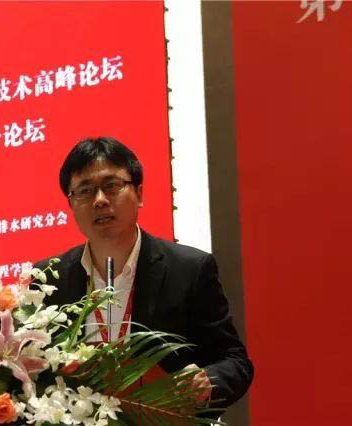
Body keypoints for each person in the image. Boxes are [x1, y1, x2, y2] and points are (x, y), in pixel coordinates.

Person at [35, 136, 253, 408]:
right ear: (71, 204)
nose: (99, 200)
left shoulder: (189, 269)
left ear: (139, 194)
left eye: (111, 186)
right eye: (85, 191)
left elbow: (235, 361)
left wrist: (206, 381)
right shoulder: (48, 279)